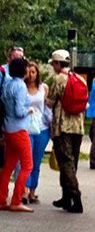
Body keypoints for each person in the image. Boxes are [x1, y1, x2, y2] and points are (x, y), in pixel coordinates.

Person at [46, 49, 85, 213]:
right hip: (78, 127)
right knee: (71, 162)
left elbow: (50, 102)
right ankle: (66, 197)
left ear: (57, 63)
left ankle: (76, 199)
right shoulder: (79, 79)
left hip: (62, 127)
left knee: (66, 163)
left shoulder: (58, 79)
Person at [0, 57, 34, 212]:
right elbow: (20, 111)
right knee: (27, 165)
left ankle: (1, 199)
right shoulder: (20, 86)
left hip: (7, 128)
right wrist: (30, 110)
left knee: (9, 165)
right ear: (23, 70)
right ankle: (16, 200)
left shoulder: (7, 84)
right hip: (19, 129)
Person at [23, 62, 51, 205]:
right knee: (27, 161)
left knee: (36, 161)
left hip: (41, 127)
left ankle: (33, 192)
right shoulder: (22, 88)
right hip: (26, 127)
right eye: (29, 72)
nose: (31, 75)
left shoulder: (43, 88)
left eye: (34, 72)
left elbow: (46, 105)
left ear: (37, 73)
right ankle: (25, 190)